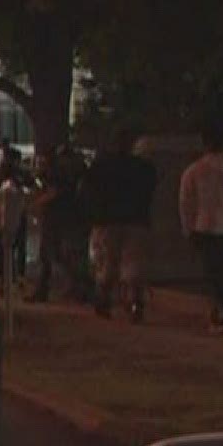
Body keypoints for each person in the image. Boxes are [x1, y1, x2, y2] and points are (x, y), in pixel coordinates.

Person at [80, 129, 158, 321]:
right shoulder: (144, 168)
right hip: (136, 219)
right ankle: (135, 301)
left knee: (108, 262)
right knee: (134, 262)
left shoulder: (101, 167)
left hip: (108, 219)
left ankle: (104, 299)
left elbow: (87, 191)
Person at [179, 131, 223, 332]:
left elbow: (186, 202)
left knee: (213, 272)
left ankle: (221, 311)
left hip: (206, 226)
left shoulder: (194, 171)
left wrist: (187, 228)